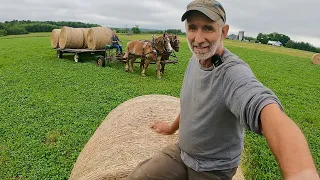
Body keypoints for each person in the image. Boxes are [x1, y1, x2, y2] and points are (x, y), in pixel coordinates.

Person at [126, 0, 320, 180]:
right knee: (138, 176)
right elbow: (190, 105)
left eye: (208, 28)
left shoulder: (232, 72)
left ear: (223, 32)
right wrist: (171, 128)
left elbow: (262, 107)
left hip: (213, 167)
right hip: (183, 153)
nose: (198, 38)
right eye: (192, 28)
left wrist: (302, 172)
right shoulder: (196, 59)